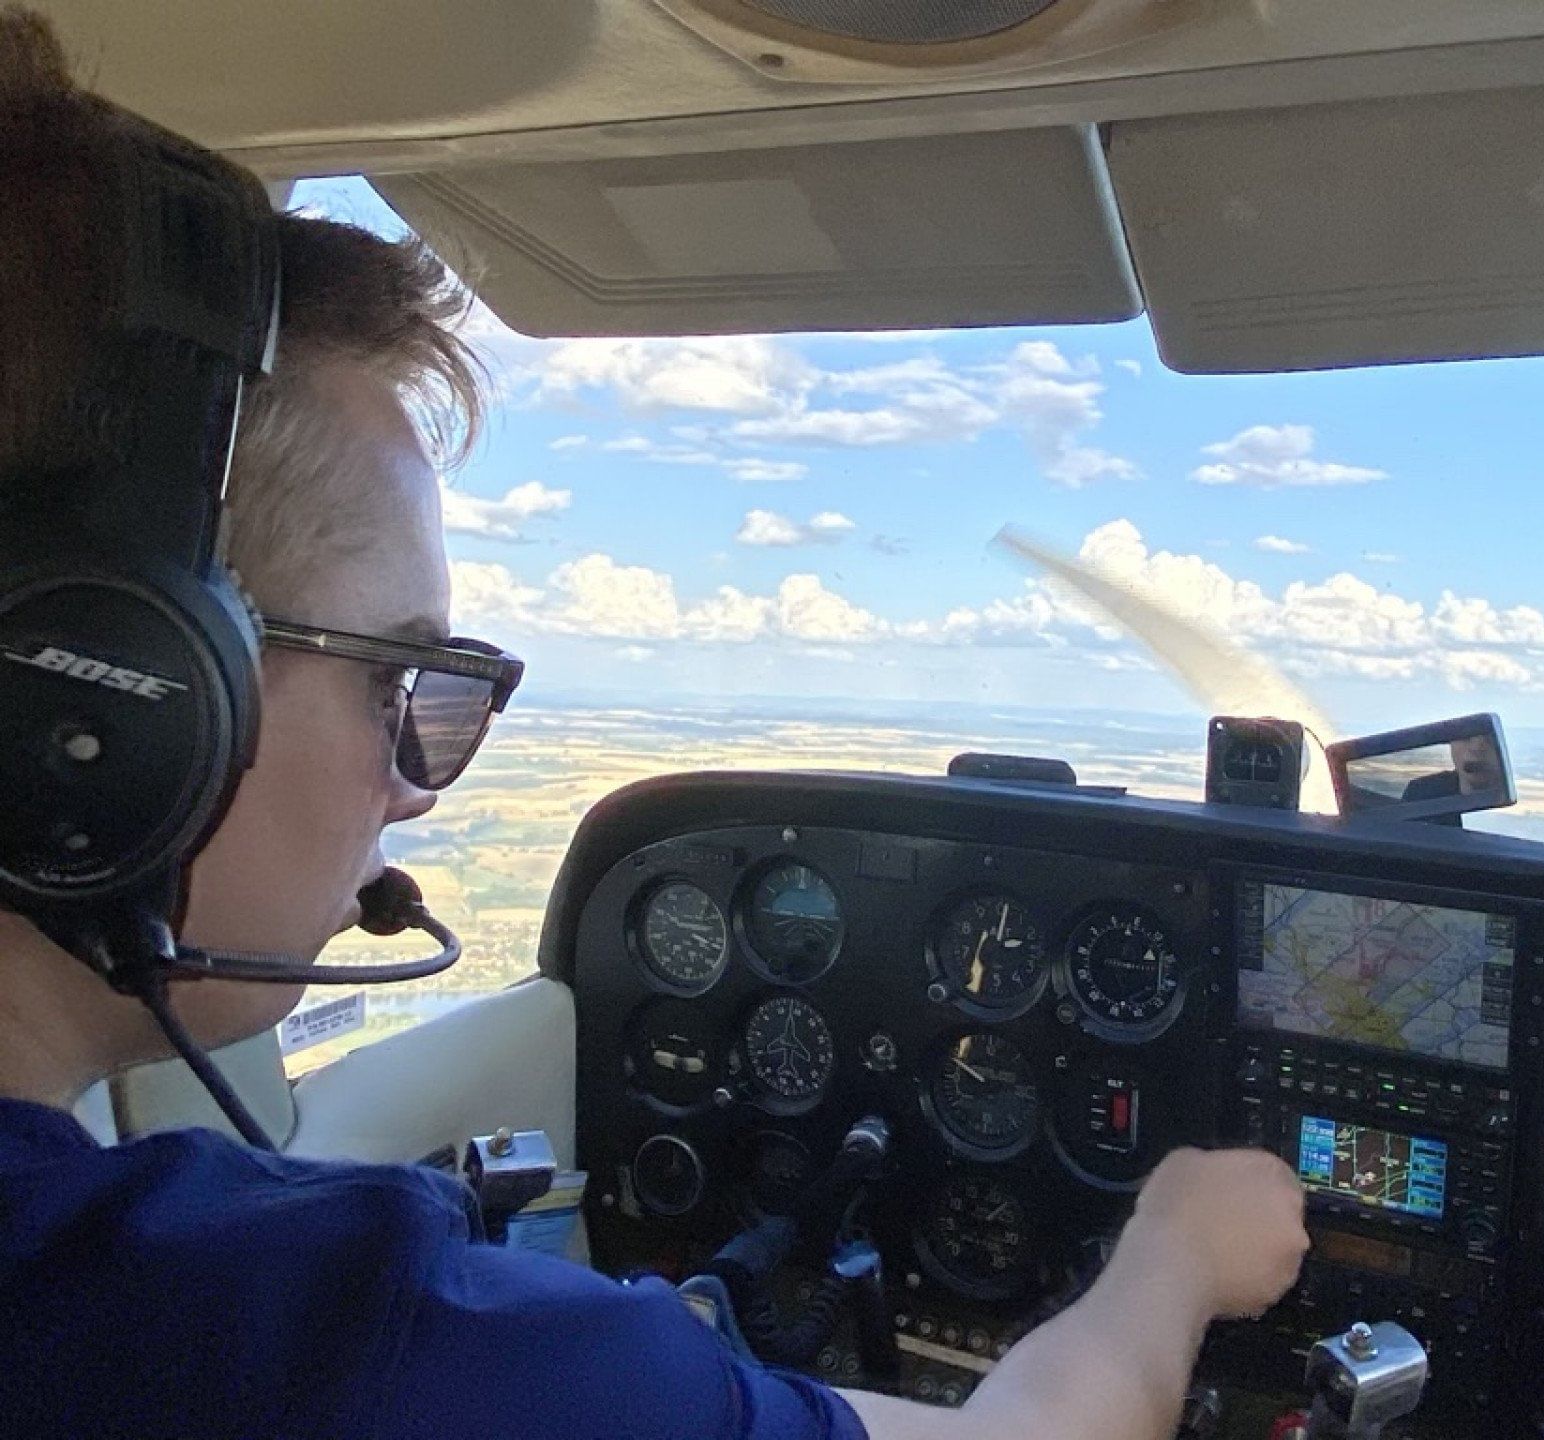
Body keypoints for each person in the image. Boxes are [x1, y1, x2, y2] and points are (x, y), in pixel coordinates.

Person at [0, 12, 1312, 1440]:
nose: (417, 793)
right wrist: (1173, 1262)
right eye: (406, 681)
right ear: (106, 689)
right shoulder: (307, 1343)